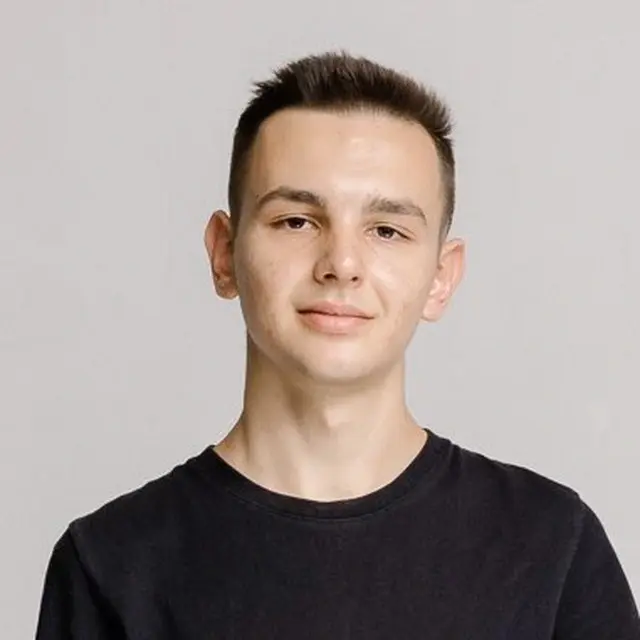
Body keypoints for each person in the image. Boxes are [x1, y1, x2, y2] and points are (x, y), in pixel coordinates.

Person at [35, 51, 639, 639]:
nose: (341, 264)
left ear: (441, 277)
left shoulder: (552, 548)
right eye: (296, 221)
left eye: (387, 230)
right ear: (224, 253)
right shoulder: (110, 565)